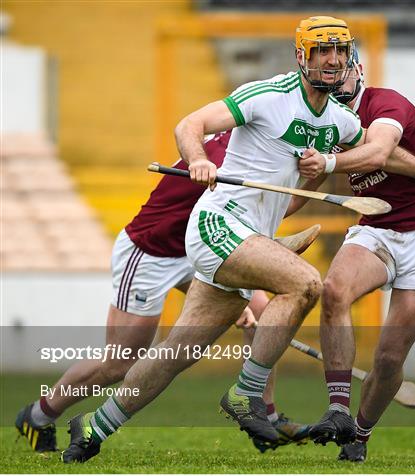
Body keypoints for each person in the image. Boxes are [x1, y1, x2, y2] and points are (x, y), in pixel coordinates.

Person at [15, 131, 315, 454]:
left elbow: (268, 208)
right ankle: (37, 415)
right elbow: (272, 210)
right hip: (150, 252)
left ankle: (265, 417)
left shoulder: (247, 143)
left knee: (258, 308)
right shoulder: (232, 154)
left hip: (199, 246)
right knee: (120, 362)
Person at [302, 53, 415, 462]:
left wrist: (326, 160)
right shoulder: (321, 120)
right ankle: (339, 410)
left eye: (341, 67)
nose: (335, 75)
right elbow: (303, 189)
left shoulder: (387, 103)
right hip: (376, 230)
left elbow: (378, 152)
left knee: (389, 357)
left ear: (358, 71)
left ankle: (358, 434)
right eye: (325, 69)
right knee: (335, 290)